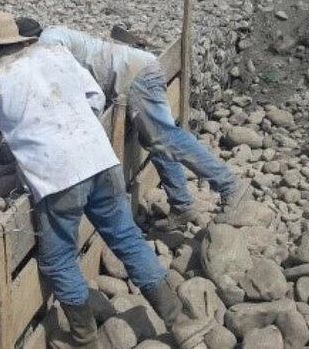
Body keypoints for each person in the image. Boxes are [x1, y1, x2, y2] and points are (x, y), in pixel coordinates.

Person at [0, 11, 211, 348]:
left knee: (58, 260)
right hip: (102, 160)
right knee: (127, 239)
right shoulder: (55, 53)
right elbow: (96, 97)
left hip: (58, 178)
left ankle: (84, 339)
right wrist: (75, 129)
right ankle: (179, 322)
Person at [15, 18, 249, 230]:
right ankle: (182, 204)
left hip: (135, 77)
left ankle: (230, 186)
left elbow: (59, 80)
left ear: (27, 42)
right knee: (156, 141)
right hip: (138, 71)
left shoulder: (47, 42)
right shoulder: (54, 36)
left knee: (166, 138)